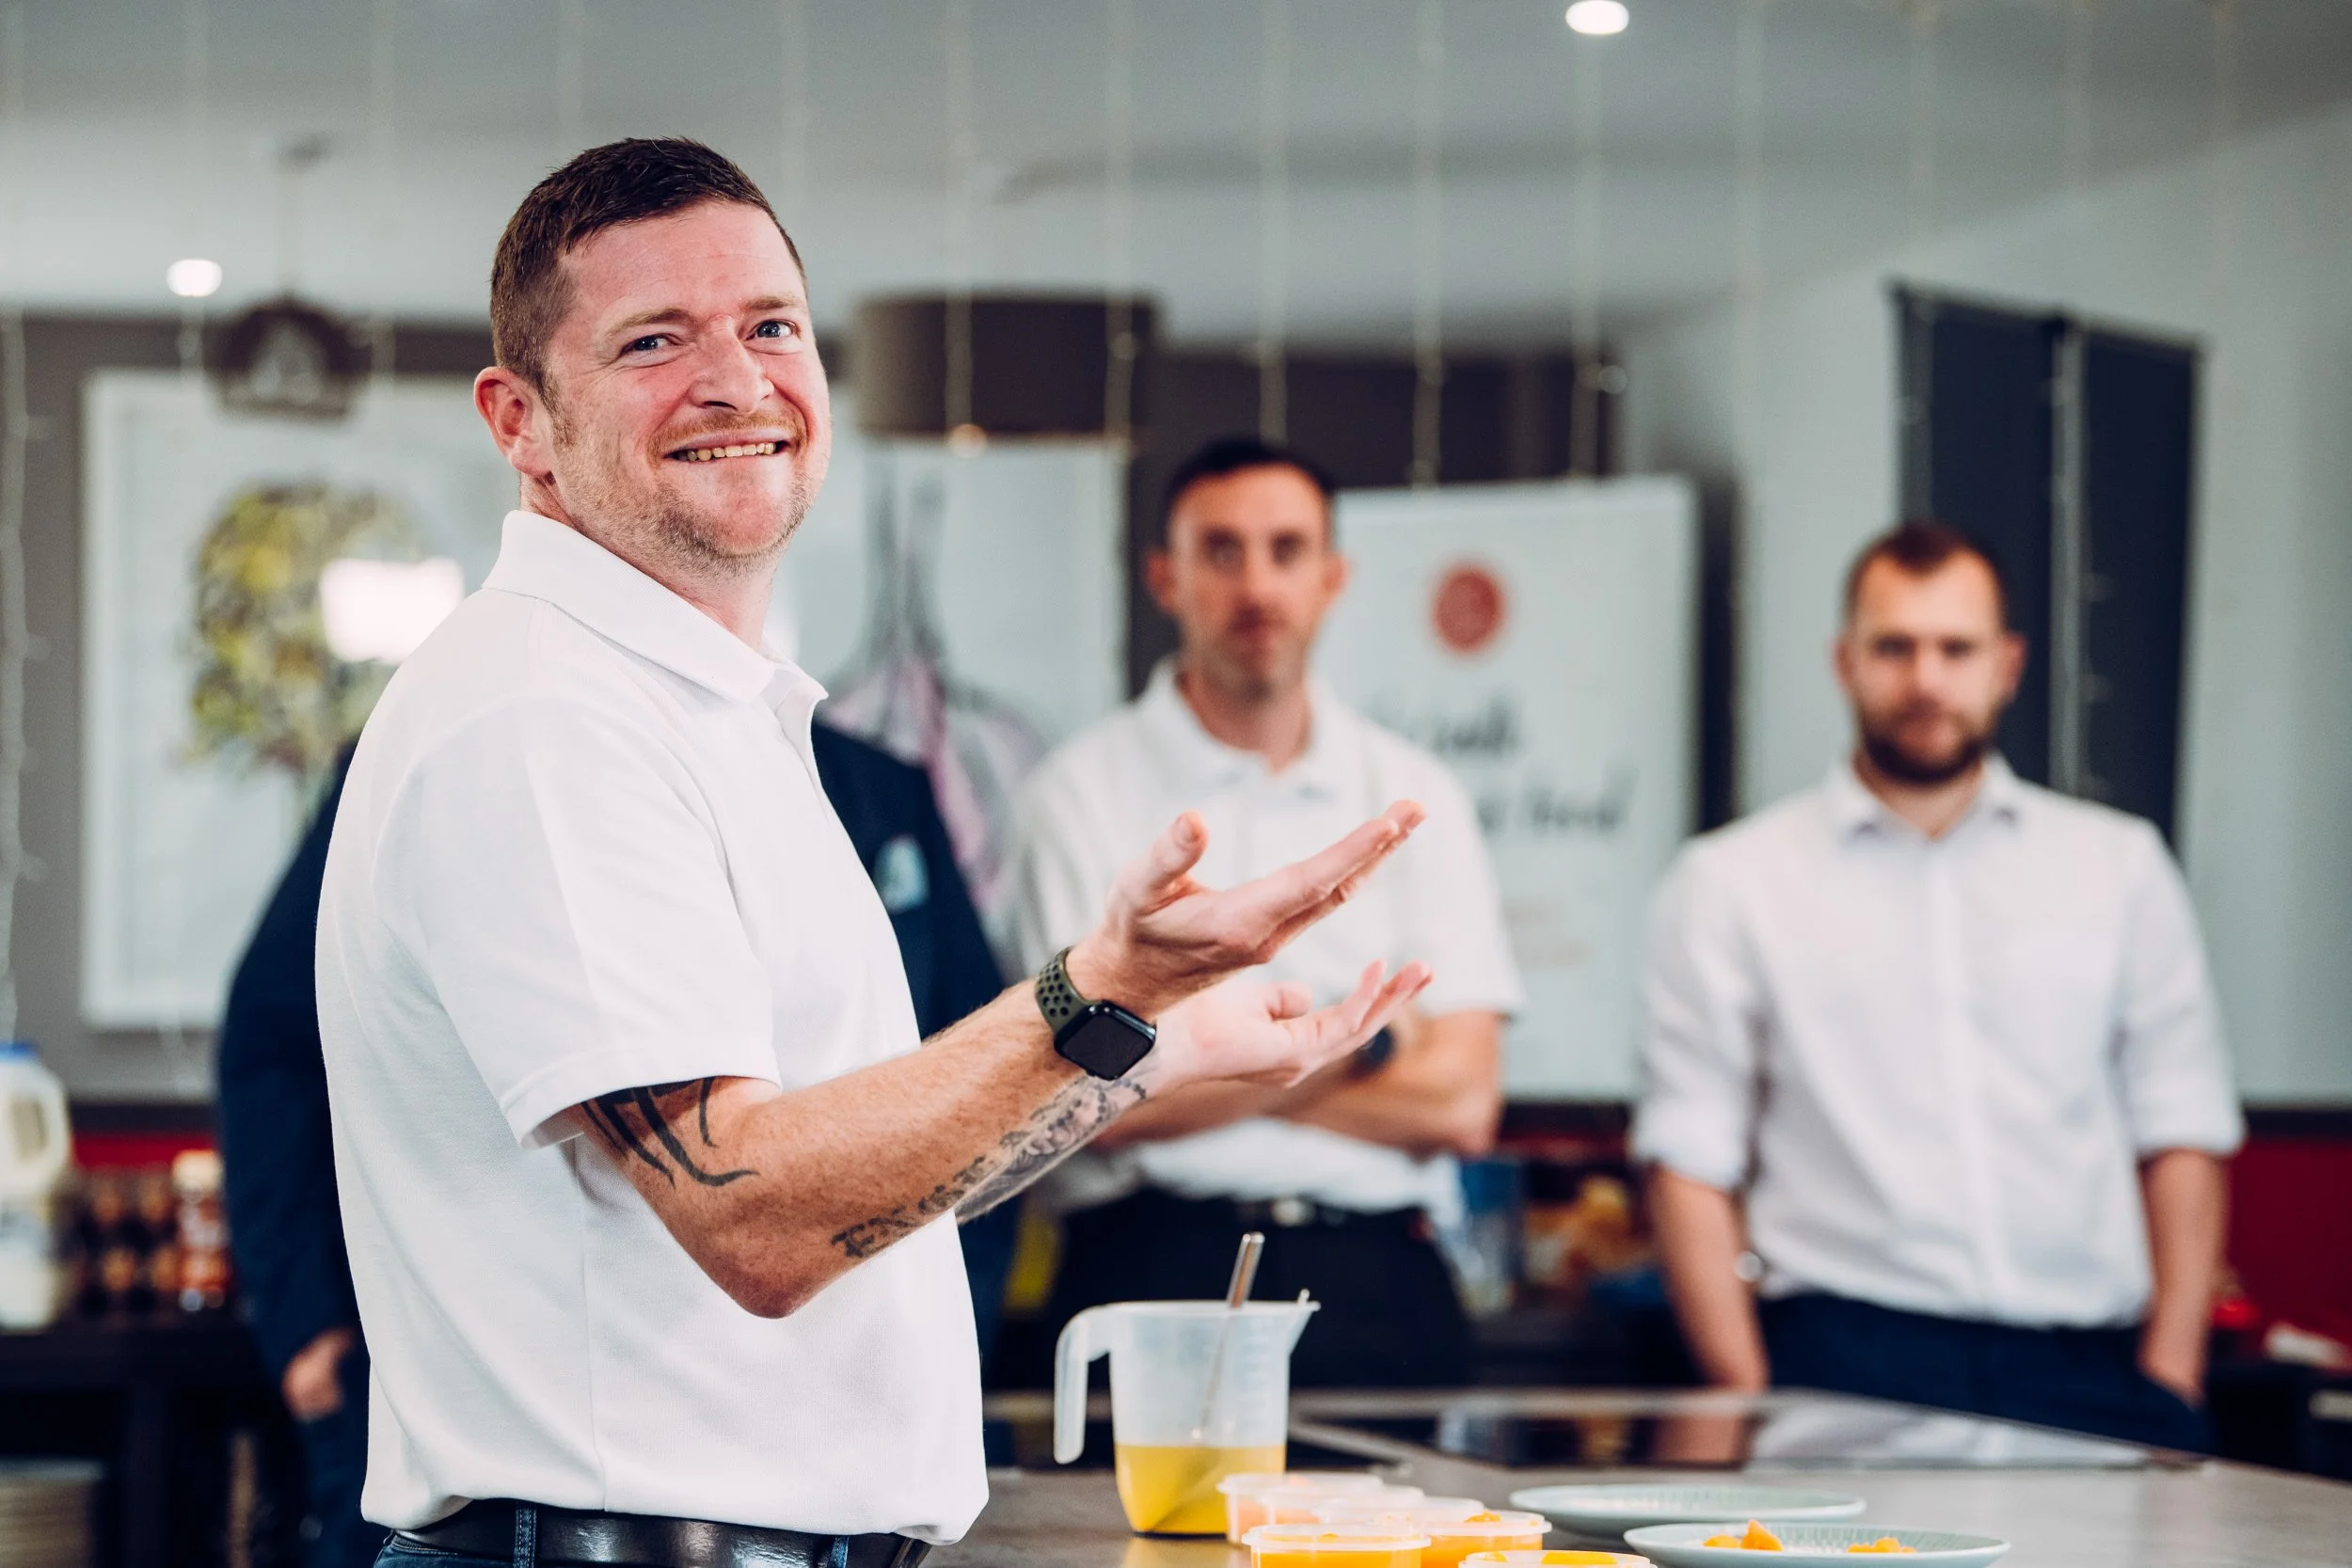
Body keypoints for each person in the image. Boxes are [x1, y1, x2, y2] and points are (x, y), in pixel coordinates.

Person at [315, 137, 1431, 1567]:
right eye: (654, 340)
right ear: (519, 419)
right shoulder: (544, 713)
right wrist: (1087, 990)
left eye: (771, 326)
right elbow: (756, 1219)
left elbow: (871, 1183)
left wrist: (1156, 1036)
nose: (736, 381)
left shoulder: (701, 710)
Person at [217, 721, 1019, 1568]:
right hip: (525, 1452)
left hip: (830, 1469)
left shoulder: (866, 784)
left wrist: (937, 1337)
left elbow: (971, 1082)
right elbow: (272, 1042)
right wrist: (305, 1325)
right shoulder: (487, 735)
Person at [1635, 519, 2241, 1451]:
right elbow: (1688, 1152)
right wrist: (1742, 1387)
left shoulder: (2118, 868)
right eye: (1894, 647)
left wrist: (2171, 1374)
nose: (1925, 679)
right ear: (1844, 661)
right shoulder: (1730, 882)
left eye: (1956, 648)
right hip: (1842, 1361)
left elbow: (2182, 1124)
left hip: (2092, 1365)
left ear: (2007, 664)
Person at [1009, 436, 1522, 1388]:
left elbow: (1461, 1104)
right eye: (1221, 551)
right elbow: (1082, 1101)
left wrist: (1188, 1063)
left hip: (1380, 1278)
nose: (1256, 586)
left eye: (1286, 550)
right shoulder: (1076, 796)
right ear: (1165, 577)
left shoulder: (1415, 794)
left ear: (1332, 577)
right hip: (1150, 1262)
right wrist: (1363, 1043)